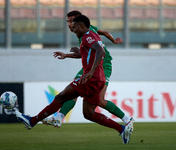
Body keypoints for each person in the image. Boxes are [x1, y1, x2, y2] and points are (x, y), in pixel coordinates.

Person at [15, 15, 133, 144]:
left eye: (74, 26)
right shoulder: (89, 37)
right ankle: (122, 129)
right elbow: (92, 52)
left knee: (61, 97)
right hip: (97, 80)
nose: (73, 28)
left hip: (90, 79)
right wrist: (70, 55)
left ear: (82, 26)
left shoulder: (88, 36)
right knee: (88, 114)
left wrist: (90, 72)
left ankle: (32, 121)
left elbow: (100, 51)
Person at [43, 10, 134, 129]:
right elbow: (104, 33)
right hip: (91, 66)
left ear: (79, 22)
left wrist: (71, 55)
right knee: (74, 88)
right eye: (68, 22)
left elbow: (96, 51)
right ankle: (58, 118)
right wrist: (114, 41)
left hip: (103, 65)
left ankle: (127, 119)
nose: (70, 24)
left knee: (100, 101)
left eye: (72, 21)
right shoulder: (84, 31)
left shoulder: (86, 33)